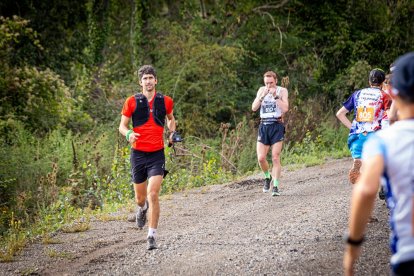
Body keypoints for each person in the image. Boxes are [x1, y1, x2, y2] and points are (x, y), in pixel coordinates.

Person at [343, 52, 414, 276]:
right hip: (378, 127)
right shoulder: (383, 96)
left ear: (393, 90)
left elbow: (364, 192)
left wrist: (352, 249)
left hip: (408, 254)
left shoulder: (385, 141)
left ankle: (370, 170)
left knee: (374, 170)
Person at [119, 65, 177, 250]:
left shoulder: (166, 101)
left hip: (156, 154)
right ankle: (142, 209)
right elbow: (122, 126)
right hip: (138, 153)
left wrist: (171, 132)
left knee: (153, 193)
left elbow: (170, 118)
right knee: (140, 198)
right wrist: (129, 135)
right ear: (140, 82)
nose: (148, 81)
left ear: (156, 80)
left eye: (151, 78)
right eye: (145, 79)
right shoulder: (131, 101)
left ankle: (151, 235)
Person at [336, 68, 391, 185]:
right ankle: (379, 185)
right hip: (374, 135)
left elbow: (340, 114)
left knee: (360, 160)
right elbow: (390, 116)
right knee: (378, 163)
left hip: (356, 135)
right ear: (382, 83)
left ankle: (358, 165)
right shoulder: (384, 96)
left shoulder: (357, 94)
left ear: (369, 81)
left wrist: (352, 127)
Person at [252, 71, 289, 196]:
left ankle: (276, 186)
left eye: (271, 83)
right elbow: (254, 108)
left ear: (276, 81)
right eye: (266, 83)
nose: (269, 85)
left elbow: (285, 108)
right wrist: (262, 96)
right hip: (264, 125)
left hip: (276, 125)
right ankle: (267, 177)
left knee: (275, 157)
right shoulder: (261, 90)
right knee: (261, 158)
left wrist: (275, 96)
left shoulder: (282, 91)